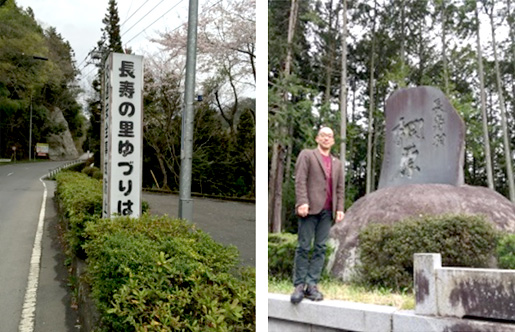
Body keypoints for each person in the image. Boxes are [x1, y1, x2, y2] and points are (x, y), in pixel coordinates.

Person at [291, 126, 345, 304]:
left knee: (320, 248)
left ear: (333, 140)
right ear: (317, 138)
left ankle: (311, 285)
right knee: (304, 246)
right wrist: (302, 202)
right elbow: (300, 179)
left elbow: (340, 188)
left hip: (328, 210)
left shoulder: (337, 163)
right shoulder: (307, 155)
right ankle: (299, 285)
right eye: (323, 135)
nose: (326, 138)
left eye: (330, 136)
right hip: (309, 208)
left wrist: (340, 208)